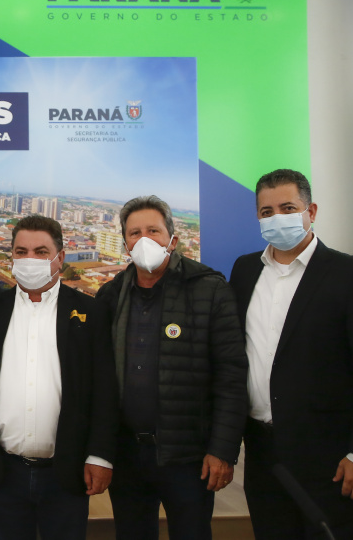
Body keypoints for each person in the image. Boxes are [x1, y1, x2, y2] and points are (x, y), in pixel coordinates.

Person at [229, 169, 353, 539]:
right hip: (262, 451)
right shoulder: (243, 271)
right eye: (267, 211)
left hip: (330, 455)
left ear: (312, 211)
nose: (277, 218)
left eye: (288, 207)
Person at [96, 195, 248, 540]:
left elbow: (232, 375)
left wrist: (222, 449)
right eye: (134, 233)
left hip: (188, 457)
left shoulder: (209, 289)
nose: (144, 239)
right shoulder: (111, 294)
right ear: (125, 243)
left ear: (173, 239)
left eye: (154, 230)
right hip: (127, 454)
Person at [0, 215, 119, 540]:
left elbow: (105, 390)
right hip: (3, 471)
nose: (29, 259)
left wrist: (100, 455)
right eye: (21, 251)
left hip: (69, 469)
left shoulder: (91, 314)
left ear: (60, 258)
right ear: (12, 257)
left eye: (41, 251)